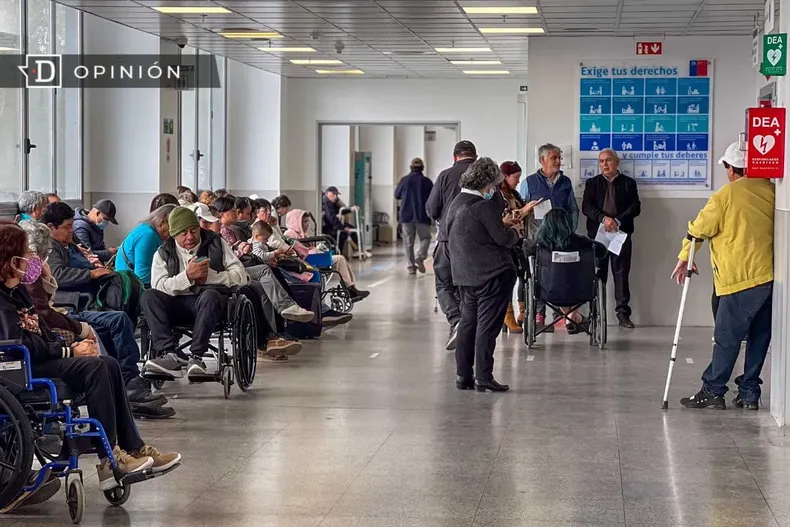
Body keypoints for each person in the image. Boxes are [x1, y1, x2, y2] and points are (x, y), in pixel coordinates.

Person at [0, 221, 181, 491]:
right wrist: (67, 350)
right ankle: (109, 460)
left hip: (37, 360)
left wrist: (72, 341)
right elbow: (16, 344)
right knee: (95, 368)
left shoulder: (18, 294)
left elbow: (42, 328)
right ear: (10, 258)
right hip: (20, 370)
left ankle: (133, 448)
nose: (31, 259)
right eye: (26, 253)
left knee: (107, 364)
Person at [17, 220, 173, 418]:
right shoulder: (32, 264)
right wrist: (89, 275)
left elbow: (40, 305)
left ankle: (130, 386)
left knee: (117, 322)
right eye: (66, 226)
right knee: (113, 325)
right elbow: (42, 308)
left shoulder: (62, 248)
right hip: (69, 307)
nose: (70, 230)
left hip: (65, 309)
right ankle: (129, 388)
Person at [672, 141, 774, 411]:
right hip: (769, 278)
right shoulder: (772, 190)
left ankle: (713, 390)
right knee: (759, 337)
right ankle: (749, 392)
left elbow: (698, 230)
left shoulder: (724, 196)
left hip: (737, 279)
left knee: (727, 339)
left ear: (731, 169)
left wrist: (686, 256)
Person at [141, 208, 284, 376]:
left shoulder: (216, 243)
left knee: (210, 295)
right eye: (183, 234)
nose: (190, 237)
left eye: (193, 231)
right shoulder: (163, 252)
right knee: (149, 296)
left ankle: (197, 356)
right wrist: (187, 277)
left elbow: (242, 276)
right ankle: (170, 355)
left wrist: (211, 277)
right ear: (173, 235)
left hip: (211, 305)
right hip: (177, 305)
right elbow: (158, 285)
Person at [445, 157, 520, 392]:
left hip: (464, 275)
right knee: (487, 327)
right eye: (495, 185)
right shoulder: (483, 205)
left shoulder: (456, 203)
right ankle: (484, 377)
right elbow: (502, 238)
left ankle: (463, 375)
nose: (495, 190)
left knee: (468, 325)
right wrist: (515, 231)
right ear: (486, 184)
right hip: (492, 274)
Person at [520, 144, 579, 332]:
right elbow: (521, 212)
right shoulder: (529, 182)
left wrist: (570, 229)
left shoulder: (566, 182)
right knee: (539, 276)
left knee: (562, 274)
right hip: (539, 239)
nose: (558, 161)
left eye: (559, 158)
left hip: (562, 239)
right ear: (542, 160)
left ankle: (563, 313)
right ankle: (539, 315)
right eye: (554, 158)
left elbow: (573, 209)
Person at [426, 140, 478, 350]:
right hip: (477, 242)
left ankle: (457, 321)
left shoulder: (445, 175)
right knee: (470, 286)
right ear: (475, 156)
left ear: (454, 156)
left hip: (448, 239)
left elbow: (432, 207)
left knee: (444, 283)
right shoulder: (485, 175)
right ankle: (467, 327)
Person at [582, 148, 641, 329]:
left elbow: (635, 207)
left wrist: (617, 220)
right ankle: (595, 313)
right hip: (598, 234)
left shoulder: (628, 183)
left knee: (621, 274)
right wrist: (603, 218)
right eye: (601, 161)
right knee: (597, 274)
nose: (604, 165)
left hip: (620, 234)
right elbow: (586, 207)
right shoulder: (592, 183)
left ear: (617, 162)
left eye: (608, 160)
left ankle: (623, 315)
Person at [528, 209, 608, 334]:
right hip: (580, 290)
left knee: (559, 280)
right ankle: (573, 318)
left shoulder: (540, 245)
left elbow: (525, 252)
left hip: (549, 290)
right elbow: (602, 251)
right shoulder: (581, 242)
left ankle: (571, 317)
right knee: (573, 281)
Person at [494, 161, 541, 334]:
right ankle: (508, 315)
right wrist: (525, 210)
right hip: (506, 241)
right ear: (505, 177)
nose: (518, 181)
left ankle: (523, 312)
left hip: (519, 240)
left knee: (524, 275)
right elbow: (505, 218)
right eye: (515, 177)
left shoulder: (513, 193)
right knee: (509, 278)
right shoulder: (497, 195)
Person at [284, 209, 370, 301]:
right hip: (305, 261)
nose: (307, 224)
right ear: (296, 221)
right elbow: (300, 251)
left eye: (308, 221)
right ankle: (350, 289)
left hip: (312, 258)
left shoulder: (303, 234)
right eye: (304, 221)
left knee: (340, 259)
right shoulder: (289, 234)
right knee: (339, 259)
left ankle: (351, 288)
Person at [115, 205, 177, 287]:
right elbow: (143, 277)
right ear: (162, 221)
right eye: (174, 225)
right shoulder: (148, 235)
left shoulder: (147, 229)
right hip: (128, 286)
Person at [395, 157, 434, 275]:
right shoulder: (427, 181)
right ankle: (420, 256)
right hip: (422, 215)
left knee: (408, 241)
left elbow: (397, 195)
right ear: (422, 168)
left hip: (406, 215)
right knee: (425, 238)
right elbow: (433, 198)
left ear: (411, 168)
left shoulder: (404, 180)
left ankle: (411, 267)